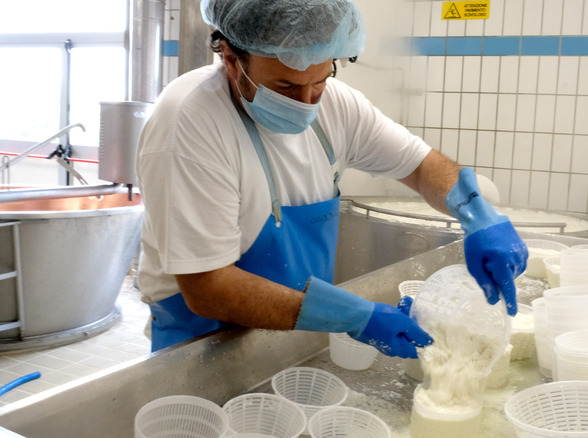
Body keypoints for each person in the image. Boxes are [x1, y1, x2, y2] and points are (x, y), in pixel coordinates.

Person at [136, 0, 528, 355]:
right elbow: (209, 289)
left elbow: (422, 166)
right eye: (285, 86)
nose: (306, 103)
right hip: (203, 344)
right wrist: (355, 315)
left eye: (320, 81)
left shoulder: (339, 106)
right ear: (232, 59)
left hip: (296, 325)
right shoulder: (189, 122)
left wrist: (477, 214)